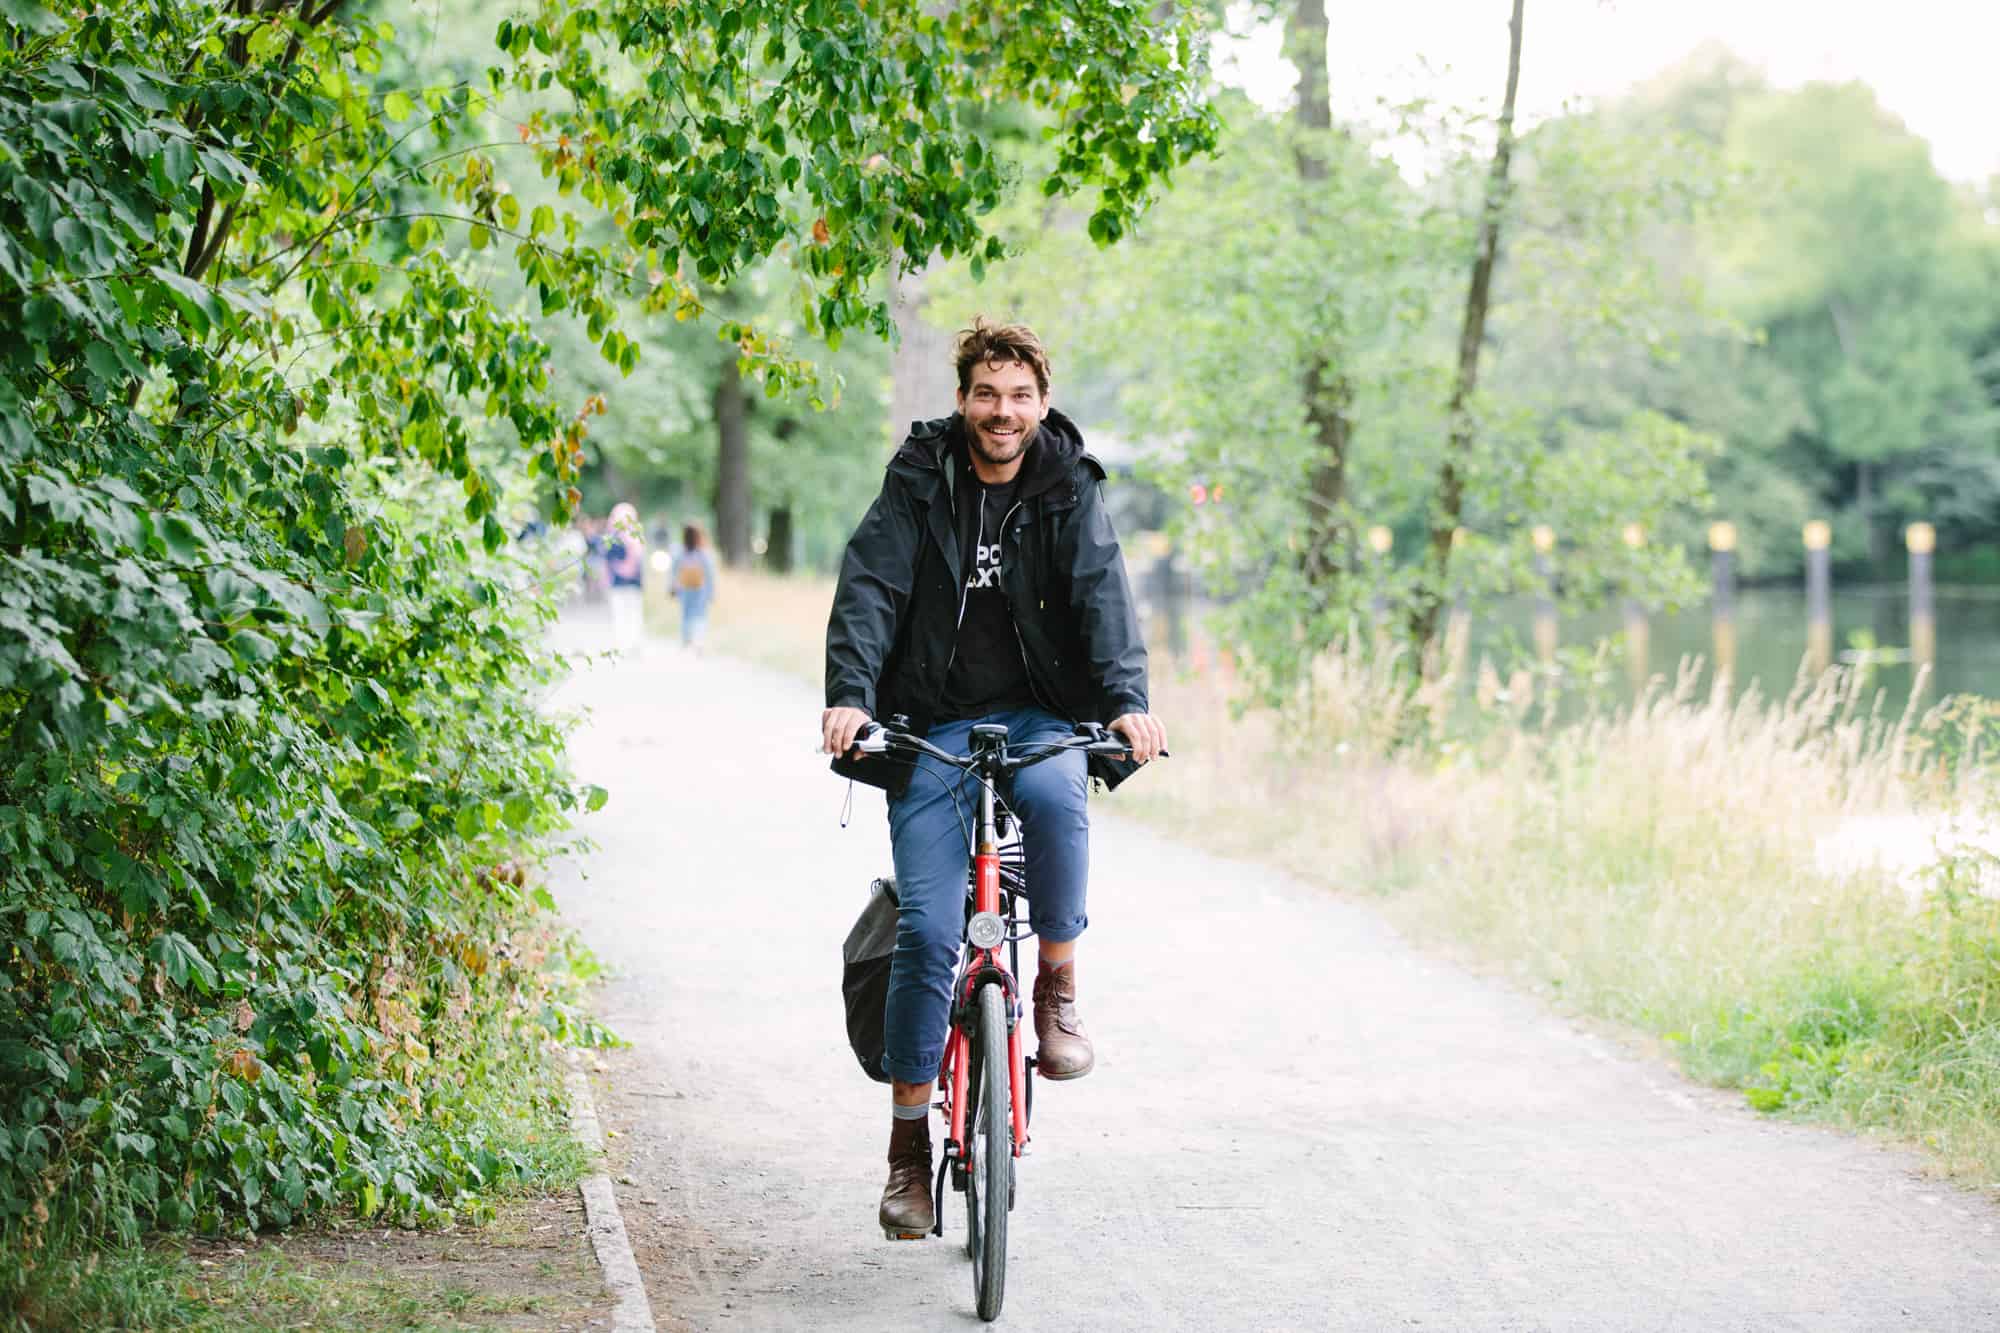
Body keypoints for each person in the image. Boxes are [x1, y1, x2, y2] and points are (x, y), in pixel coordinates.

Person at [820, 317, 1166, 1239]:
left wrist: (1127, 703)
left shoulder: (1066, 488)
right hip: (929, 722)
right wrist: (851, 699)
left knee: (1059, 798)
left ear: (1040, 404)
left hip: (1037, 715)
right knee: (930, 932)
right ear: (964, 399)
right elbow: (871, 587)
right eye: (985, 394)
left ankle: (1054, 989)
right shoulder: (921, 478)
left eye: (1019, 396)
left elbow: (1102, 596)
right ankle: (905, 1153)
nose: (1001, 412)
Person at [604, 502, 646, 656]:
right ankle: (625, 645)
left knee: (627, 615)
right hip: (625, 584)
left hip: (626, 584)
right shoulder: (630, 538)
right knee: (625, 615)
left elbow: (609, 561)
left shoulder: (615, 538)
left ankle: (630, 645)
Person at [669, 522, 718, 650]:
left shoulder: (679, 552)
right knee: (700, 614)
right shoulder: (703, 553)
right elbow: (710, 574)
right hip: (700, 588)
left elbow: (674, 571)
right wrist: (711, 592)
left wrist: (672, 587)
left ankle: (687, 640)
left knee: (686, 614)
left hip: (684, 588)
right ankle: (699, 641)